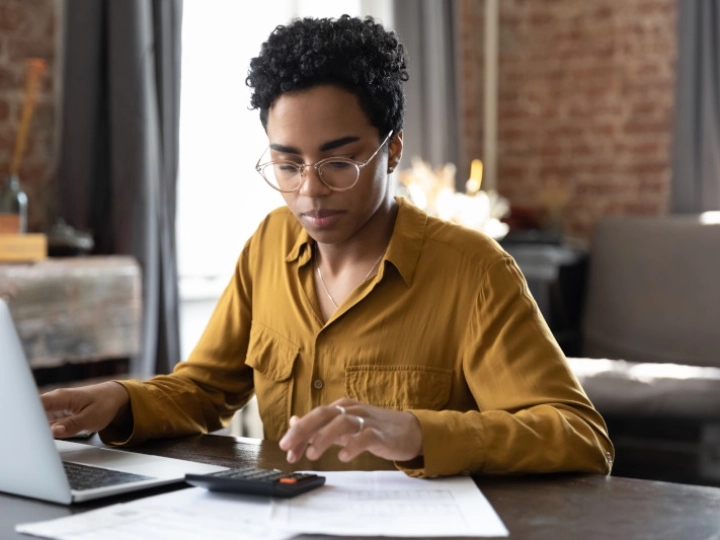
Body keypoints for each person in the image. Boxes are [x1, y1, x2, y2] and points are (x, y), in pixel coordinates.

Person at [42, 15, 614, 478]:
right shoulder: (269, 243)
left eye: (339, 161)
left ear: (391, 152)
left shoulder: (475, 273)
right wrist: (117, 398)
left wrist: (420, 433)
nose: (310, 190)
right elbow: (204, 391)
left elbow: (580, 435)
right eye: (287, 163)